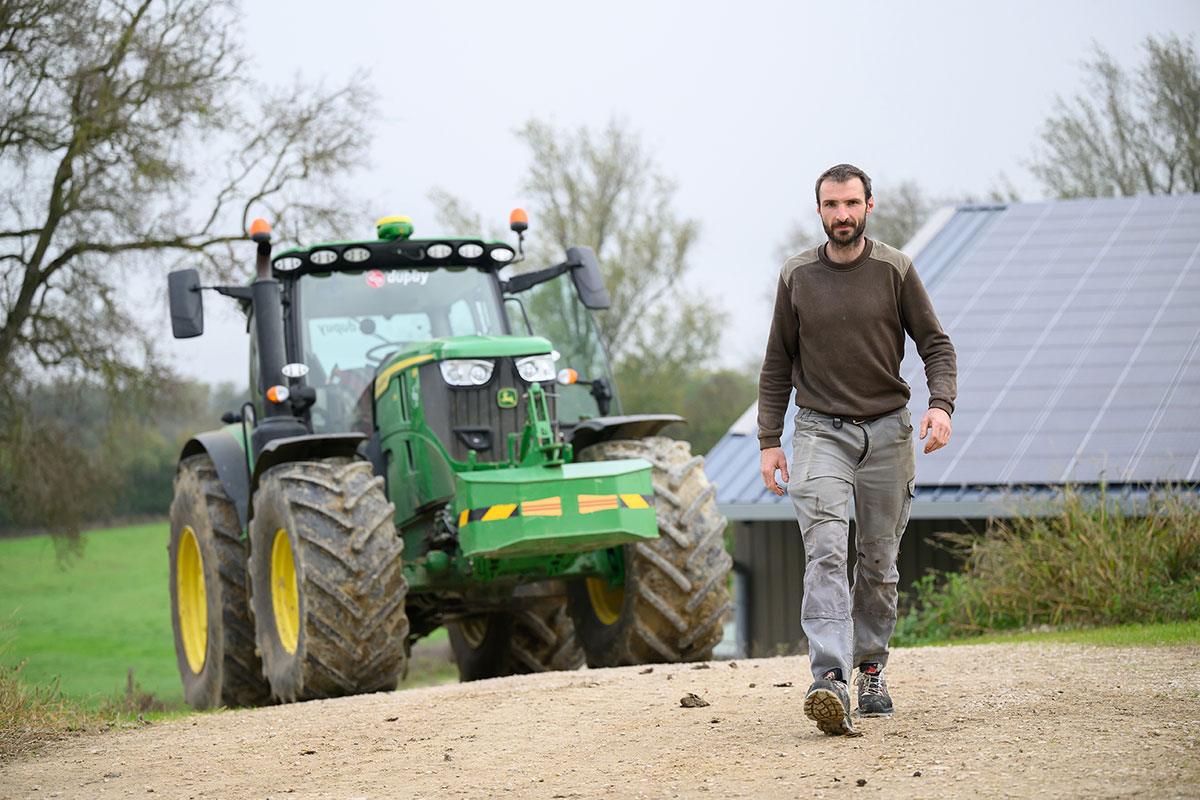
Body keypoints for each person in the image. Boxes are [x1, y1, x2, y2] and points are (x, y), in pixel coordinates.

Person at [757, 163, 957, 736]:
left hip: (889, 432)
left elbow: (936, 345)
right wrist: (770, 440)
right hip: (820, 431)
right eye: (830, 205)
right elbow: (776, 363)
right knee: (824, 550)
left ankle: (870, 668)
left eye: (850, 204)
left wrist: (940, 405)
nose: (841, 215)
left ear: (869, 205)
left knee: (878, 561)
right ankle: (830, 679)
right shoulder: (797, 276)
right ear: (818, 210)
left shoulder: (895, 270)